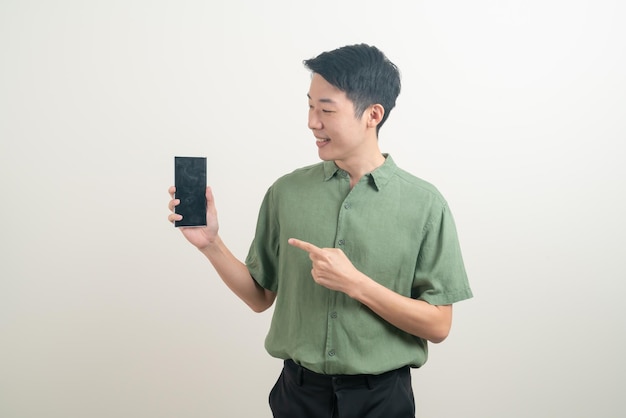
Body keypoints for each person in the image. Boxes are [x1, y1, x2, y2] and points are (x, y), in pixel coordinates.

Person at [168, 43, 472, 418]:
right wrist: (210, 244)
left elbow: (438, 325)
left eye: (326, 109)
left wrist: (356, 284)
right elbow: (260, 297)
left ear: (372, 115)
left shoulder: (425, 204)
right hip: (298, 396)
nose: (313, 122)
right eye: (310, 106)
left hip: (382, 399)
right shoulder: (287, 192)